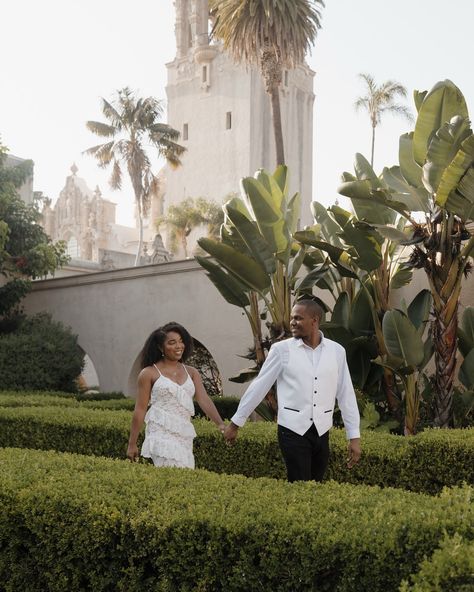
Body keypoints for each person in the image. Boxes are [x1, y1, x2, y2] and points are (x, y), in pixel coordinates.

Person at [224, 299, 361, 482]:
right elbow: (259, 386)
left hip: (322, 431)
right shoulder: (281, 350)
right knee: (300, 484)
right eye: (291, 318)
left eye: (298, 318)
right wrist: (236, 423)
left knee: (317, 484)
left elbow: (346, 394)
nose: (292, 323)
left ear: (315, 320)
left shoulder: (336, 351)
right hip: (292, 430)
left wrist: (354, 437)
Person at [127, 322, 225, 468]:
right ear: (161, 347)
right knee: (169, 470)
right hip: (159, 433)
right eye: (172, 342)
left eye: (181, 341)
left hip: (184, 434)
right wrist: (132, 444)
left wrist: (221, 425)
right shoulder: (148, 373)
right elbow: (140, 410)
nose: (179, 346)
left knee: (185, 474)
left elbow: (203, 399)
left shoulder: (192, 372)